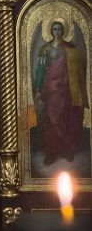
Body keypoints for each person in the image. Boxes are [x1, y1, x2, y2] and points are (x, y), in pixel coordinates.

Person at [34, 21, 89, 166]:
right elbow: (40, 70)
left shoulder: (70, 48)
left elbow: (78, 71)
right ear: (51, 31)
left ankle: (66, 150)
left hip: (67, 91)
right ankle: (51, 152)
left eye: (59, 29)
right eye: (54, 29)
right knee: (52, 119)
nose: (57, 32)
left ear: (63, 31)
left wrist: (78, 90)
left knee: (67, 119)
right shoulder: (45, 49)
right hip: (51, 90)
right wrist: (38, 89)